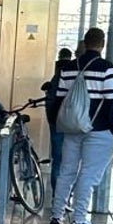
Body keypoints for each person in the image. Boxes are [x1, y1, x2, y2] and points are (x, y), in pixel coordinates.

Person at [47, 27, 113, 224]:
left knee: (67, 171)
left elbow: (59, 99)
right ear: (102, 44)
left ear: (85, 43)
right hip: (98, 130)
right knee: (89, 174)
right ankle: (79, 221)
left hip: (72, 128)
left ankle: (56, 216)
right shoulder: (106, 68)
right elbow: (112, 102)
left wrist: (57, 123)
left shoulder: (68, 68)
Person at [41, 47, 74, 196]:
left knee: (57, 160)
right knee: (72, 160)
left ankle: (57, 194)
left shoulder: (55, 71)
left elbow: (51, 93)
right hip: (71, 121)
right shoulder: (75, 70)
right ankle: (66, 194)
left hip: (55, 120)